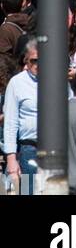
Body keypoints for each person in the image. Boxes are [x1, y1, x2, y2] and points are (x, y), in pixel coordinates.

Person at [2, 37, 40, 183]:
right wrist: (11, 160)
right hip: (30, 150)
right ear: (26, 60)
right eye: (34, 60)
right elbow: (10, 123)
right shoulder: (17, 83)